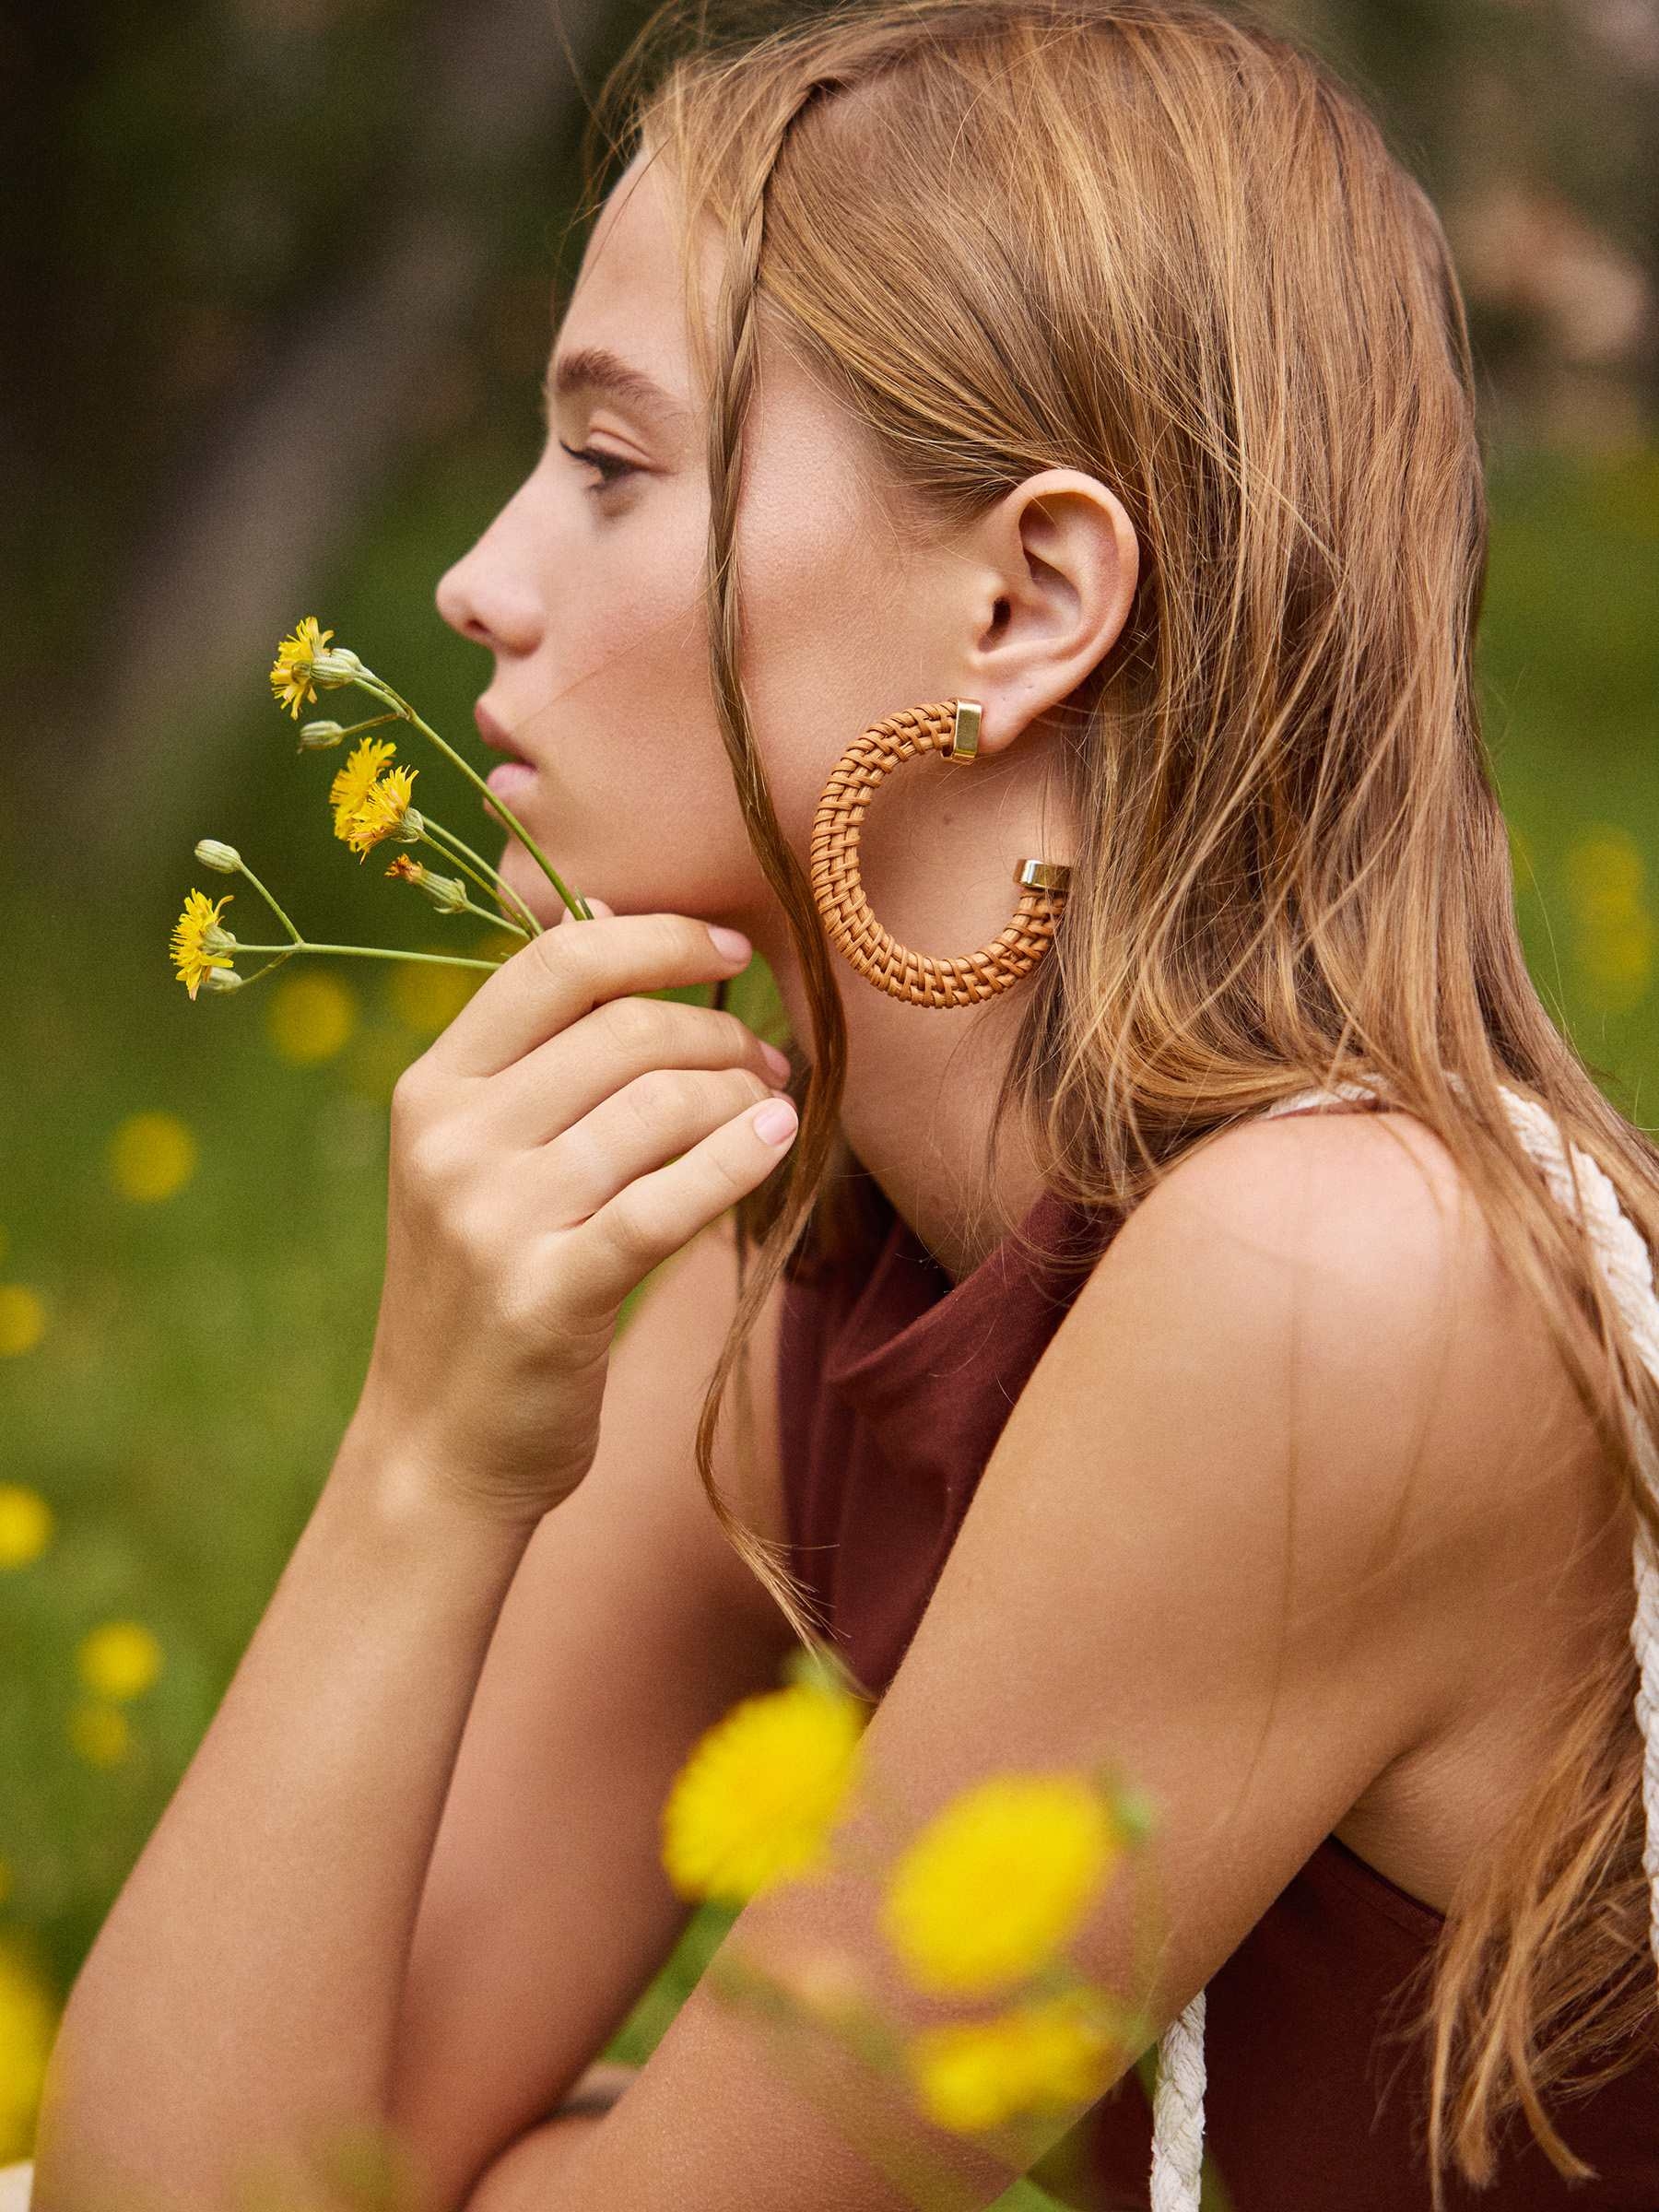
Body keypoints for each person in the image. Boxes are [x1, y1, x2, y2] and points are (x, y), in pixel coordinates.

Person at [27, 2, 1659, 2207]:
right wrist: (426, 1462)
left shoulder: (1333, 1289)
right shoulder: (789, 1241)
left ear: (1024, 600)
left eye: (610, 468)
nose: (476, 581)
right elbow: (220, 2185)